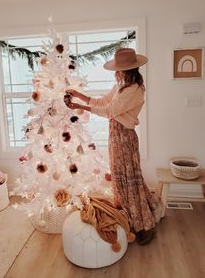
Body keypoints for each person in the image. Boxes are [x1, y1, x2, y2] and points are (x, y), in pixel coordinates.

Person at [65, 48, 160, 245]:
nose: (116, 72)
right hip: (115, 135)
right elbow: (102, 101)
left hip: (124, 137)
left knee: (129, 177)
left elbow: (109, 111)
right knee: (119, 175)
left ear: (128, 69)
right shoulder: (121, 86)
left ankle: (143, 224)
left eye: (119, 69)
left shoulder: (135, 90)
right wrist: (78, 95)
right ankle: (129, 214)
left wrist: (80, 107)